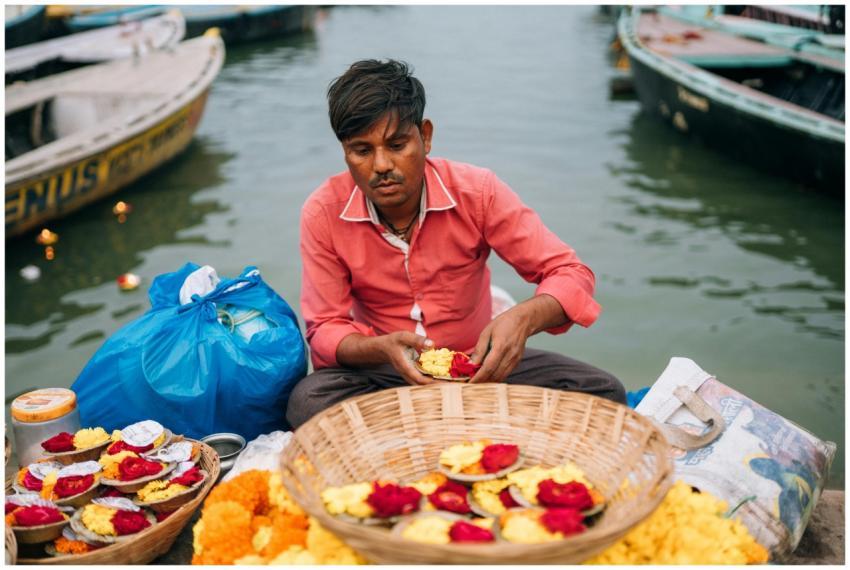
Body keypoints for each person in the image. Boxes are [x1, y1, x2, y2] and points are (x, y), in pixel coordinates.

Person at [286, 59, 625, 429]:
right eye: (361, 151)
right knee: (307, 403)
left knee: (603, 393)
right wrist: (380, 349)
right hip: (387, 372)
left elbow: (570, 273)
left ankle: (428, 426)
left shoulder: (477, 192)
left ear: (425, 136)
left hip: (479, 368)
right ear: (345, 151)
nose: (381, 165)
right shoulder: (323, 212)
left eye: (397, 144)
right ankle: (470, 424)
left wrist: (522, 320)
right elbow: (325, 329)